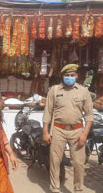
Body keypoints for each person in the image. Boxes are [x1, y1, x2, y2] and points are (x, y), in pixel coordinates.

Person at [43, 64, 93, 193]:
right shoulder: (54, 90)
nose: (69, 78)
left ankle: (78, 189)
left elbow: (89, 115)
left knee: (78, 163)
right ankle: (55, 188)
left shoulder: (83, 91)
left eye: (72, 75)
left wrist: (85, 134)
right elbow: (47, 112)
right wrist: (45, 132)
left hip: (77, 131)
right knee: (55, 161)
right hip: (58, 130)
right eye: (67, 75)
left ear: (76, 76)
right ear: (62, 76)